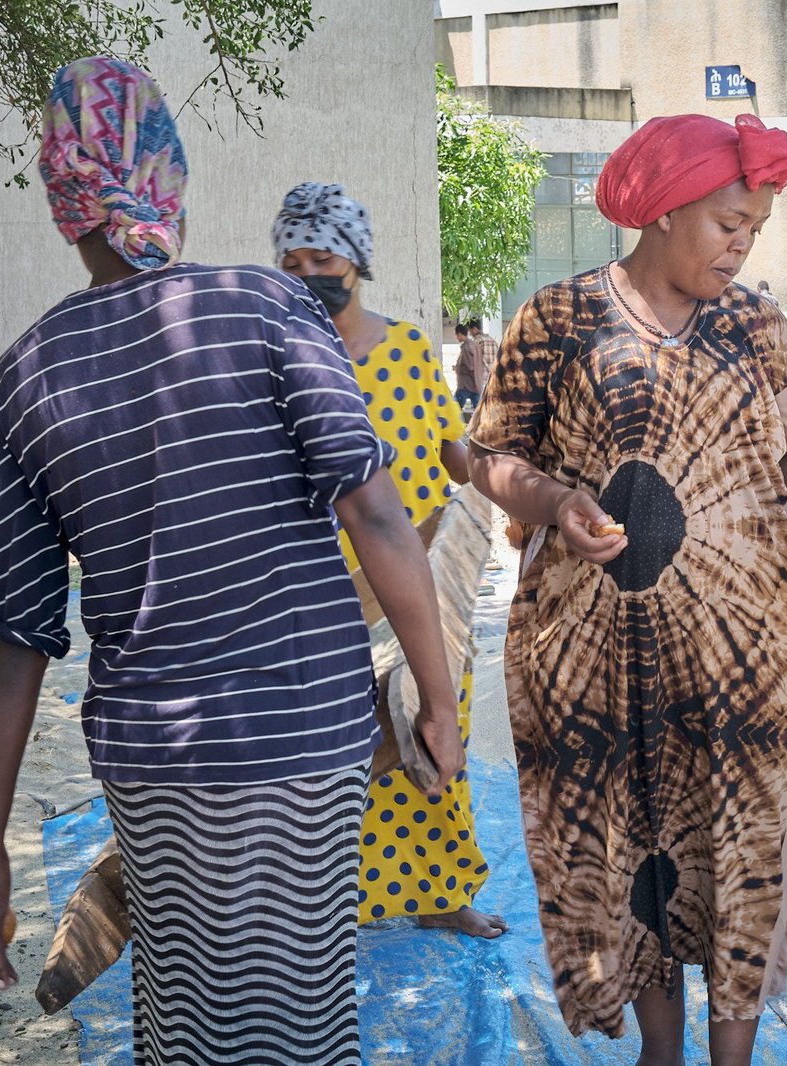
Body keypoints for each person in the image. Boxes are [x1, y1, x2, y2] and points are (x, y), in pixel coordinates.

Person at [0, 57, 464, 1064]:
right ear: (172, 183)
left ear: (61, 204)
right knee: (303, 1015)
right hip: (304, 736)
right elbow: (376, 511)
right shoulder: (268, 309)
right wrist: (438, 699)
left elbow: (14, 639)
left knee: (186, 1013)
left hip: (155, 761)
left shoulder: (18, 382)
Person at [467, 113, 787, 1065]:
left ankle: (732, 1058)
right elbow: (481, 456)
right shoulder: (557, 321)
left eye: (755, 228)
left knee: (740, 851)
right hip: (598, 665)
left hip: (745, 660)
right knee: (636, 849)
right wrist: (555, 500)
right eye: (729, 221)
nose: (742, 244)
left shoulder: (759, 327)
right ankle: (663, 1050)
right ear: (663, 210)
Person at [272, 181, 506, 940]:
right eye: (294, 261)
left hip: (421, 580)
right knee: (334, 749)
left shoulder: (406, 349)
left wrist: (515, 486)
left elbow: (453, 453)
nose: (311, 273)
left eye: (325, 258)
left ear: (357, 260)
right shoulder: (278, 360)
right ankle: (323, 901)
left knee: (433, 730)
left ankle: (439, 891)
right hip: (323, 591)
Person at [454, 318, 496, 410]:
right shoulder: (492, 340)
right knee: (482, 406)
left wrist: (457, 368)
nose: (470, 333)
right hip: (491, 377)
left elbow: (471, 364)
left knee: (456, 405)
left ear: (474, 329)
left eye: (470, 331)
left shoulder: (474, 343)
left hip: (477, 378)